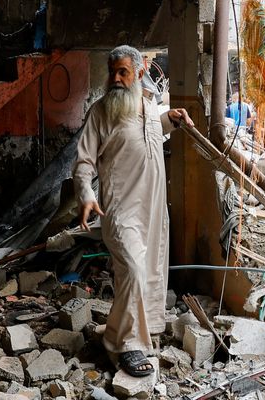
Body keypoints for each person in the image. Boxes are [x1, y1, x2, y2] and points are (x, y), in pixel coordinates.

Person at [73, 45, 194, 377]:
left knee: (148, 272)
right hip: (120, 210)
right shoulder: (101, 112)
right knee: (134, 271)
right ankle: (126, 345)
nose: (115, 78)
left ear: (139, 74)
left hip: (153, 210)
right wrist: (85, 194)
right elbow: (83, 162)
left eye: (123, 72)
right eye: (112, 72)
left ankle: (119, 333)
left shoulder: (148, 105)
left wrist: (169, 120)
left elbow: (146, 131)